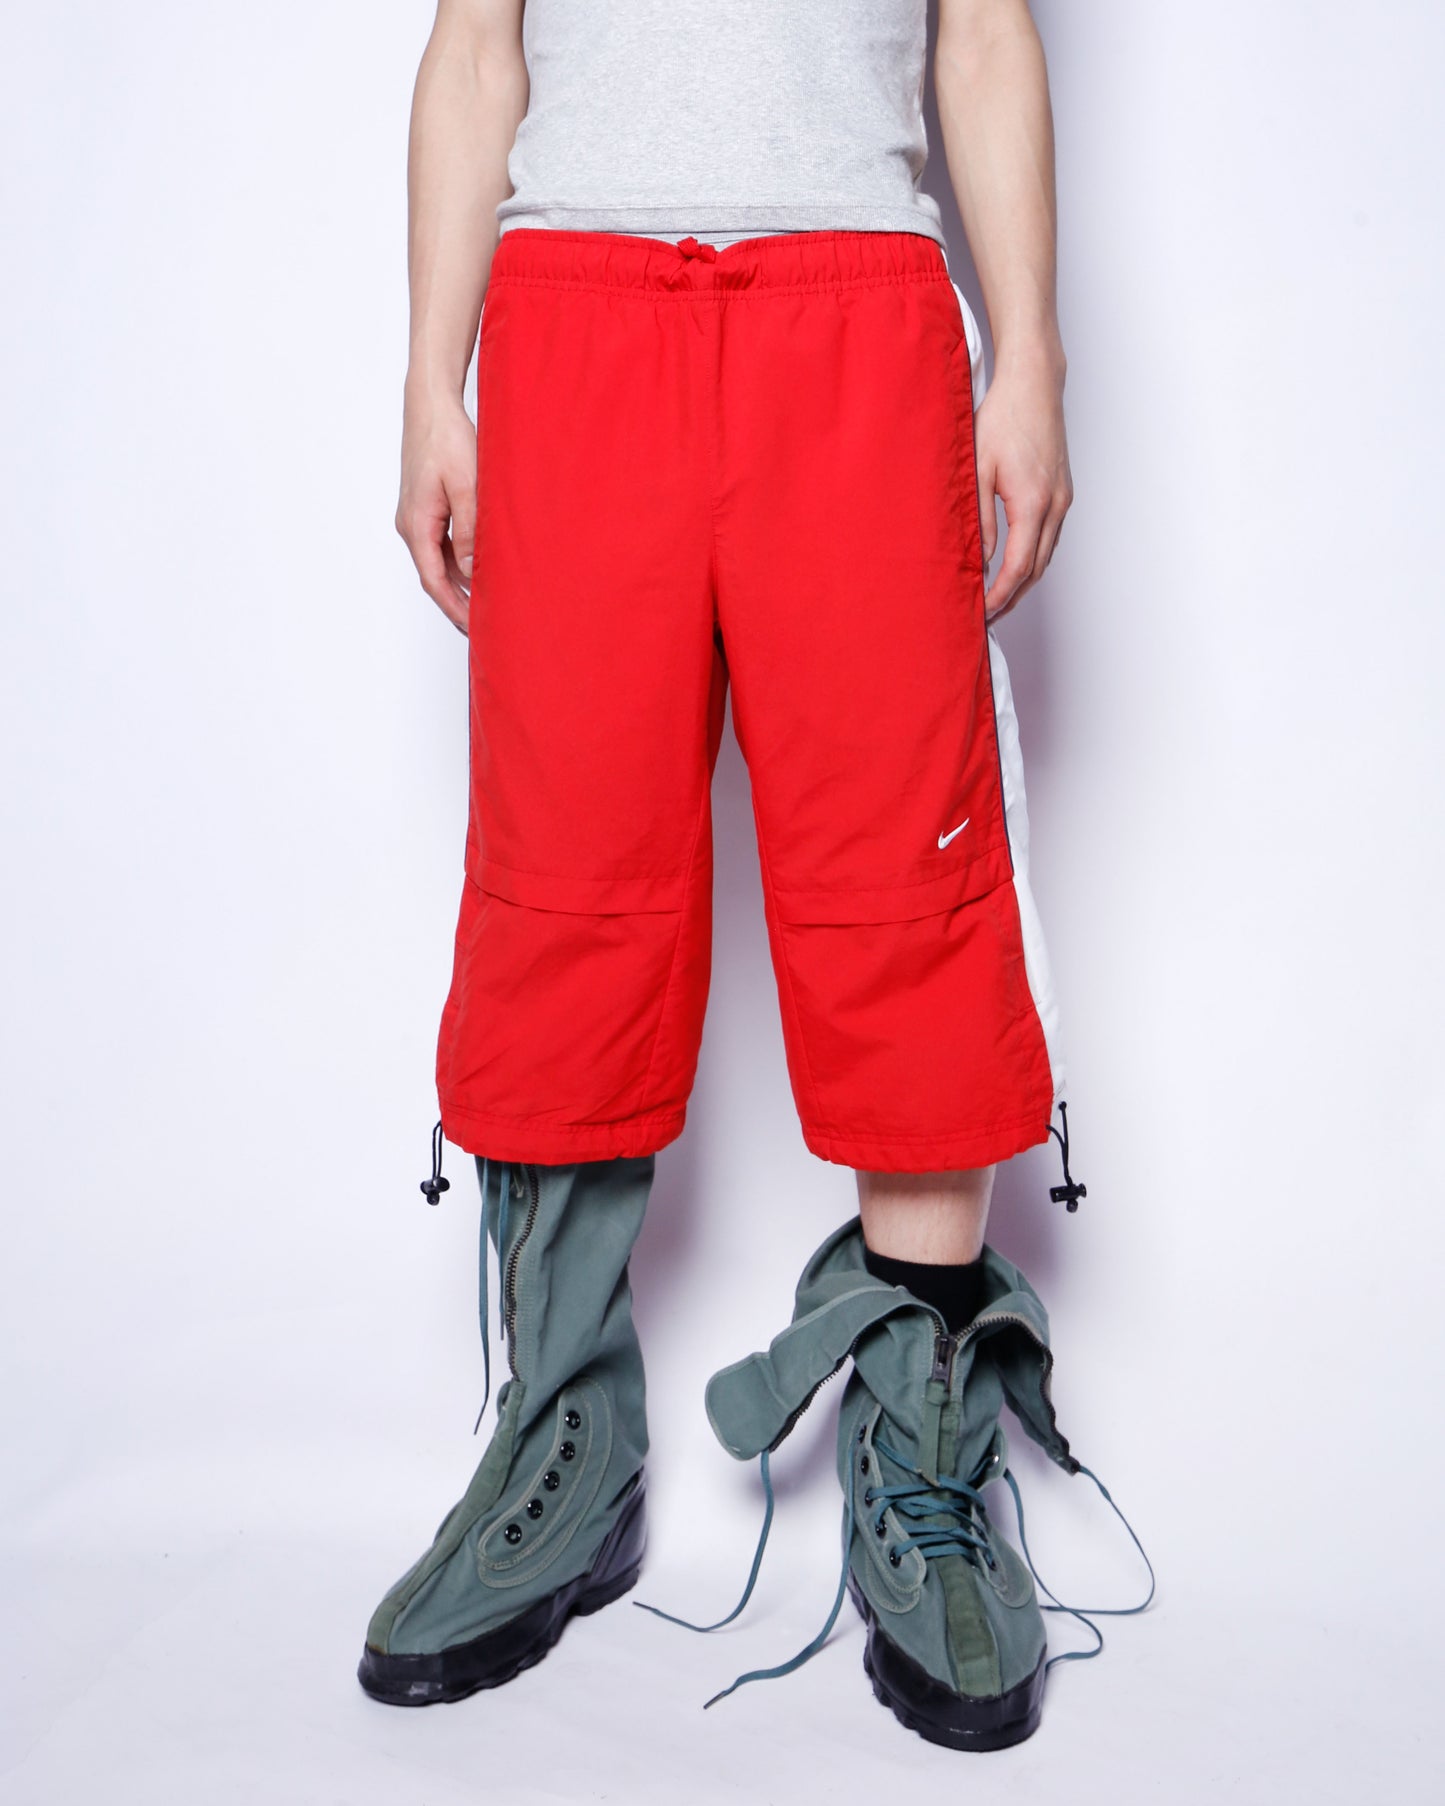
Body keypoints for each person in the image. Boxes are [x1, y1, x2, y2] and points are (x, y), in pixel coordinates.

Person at [356, 0, 1150, 1751]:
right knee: (565, 886)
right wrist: (429, 377)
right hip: (574, 307)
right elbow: (476, 45)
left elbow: (981, 34)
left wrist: (1030, 358)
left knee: (903, 887)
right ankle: (566, 1448)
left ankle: (920, 1455)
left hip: (854, 308)